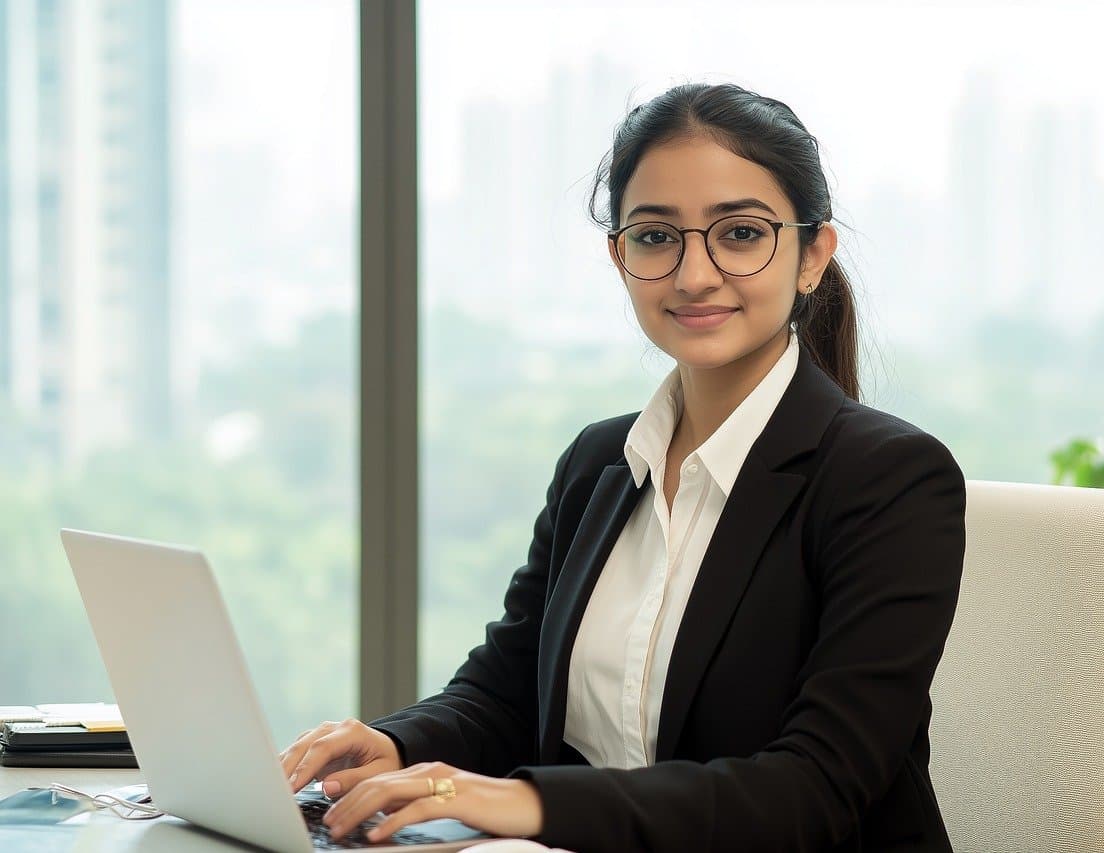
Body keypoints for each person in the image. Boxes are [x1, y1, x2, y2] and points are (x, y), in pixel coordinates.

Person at [279, 81, 967, 853]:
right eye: (655, 236)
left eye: (740, 233)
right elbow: (506, 691)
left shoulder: (890, 481)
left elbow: (815, 790)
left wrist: (528, 803)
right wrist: (394, 745)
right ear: (620, 256)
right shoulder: (599, 462)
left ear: (812, 255)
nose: (693, 274)